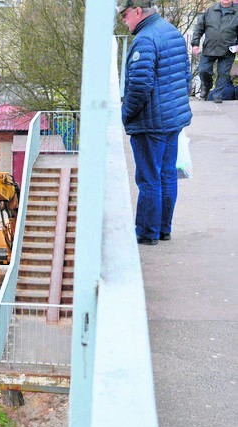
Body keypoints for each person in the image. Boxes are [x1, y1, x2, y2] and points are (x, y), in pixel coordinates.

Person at [119, 0, 192, 245]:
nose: (124, 20)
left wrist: (126, 113)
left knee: (149, 179)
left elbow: (139, 86)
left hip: (150, 124)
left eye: (125, 15)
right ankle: (163, 229)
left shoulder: (145, 40)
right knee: (167, 175)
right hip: (172, 120)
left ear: (137, 11)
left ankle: (147, 233)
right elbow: (185, 75)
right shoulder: (172, 32)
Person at [191, 0, 238, 101]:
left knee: (223, 73)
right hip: (209, 48)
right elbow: (199, 28)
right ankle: (206, 87)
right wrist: (195, 44)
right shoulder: (210, 10)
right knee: (203, 71)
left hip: (228, 50)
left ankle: (218, 95)